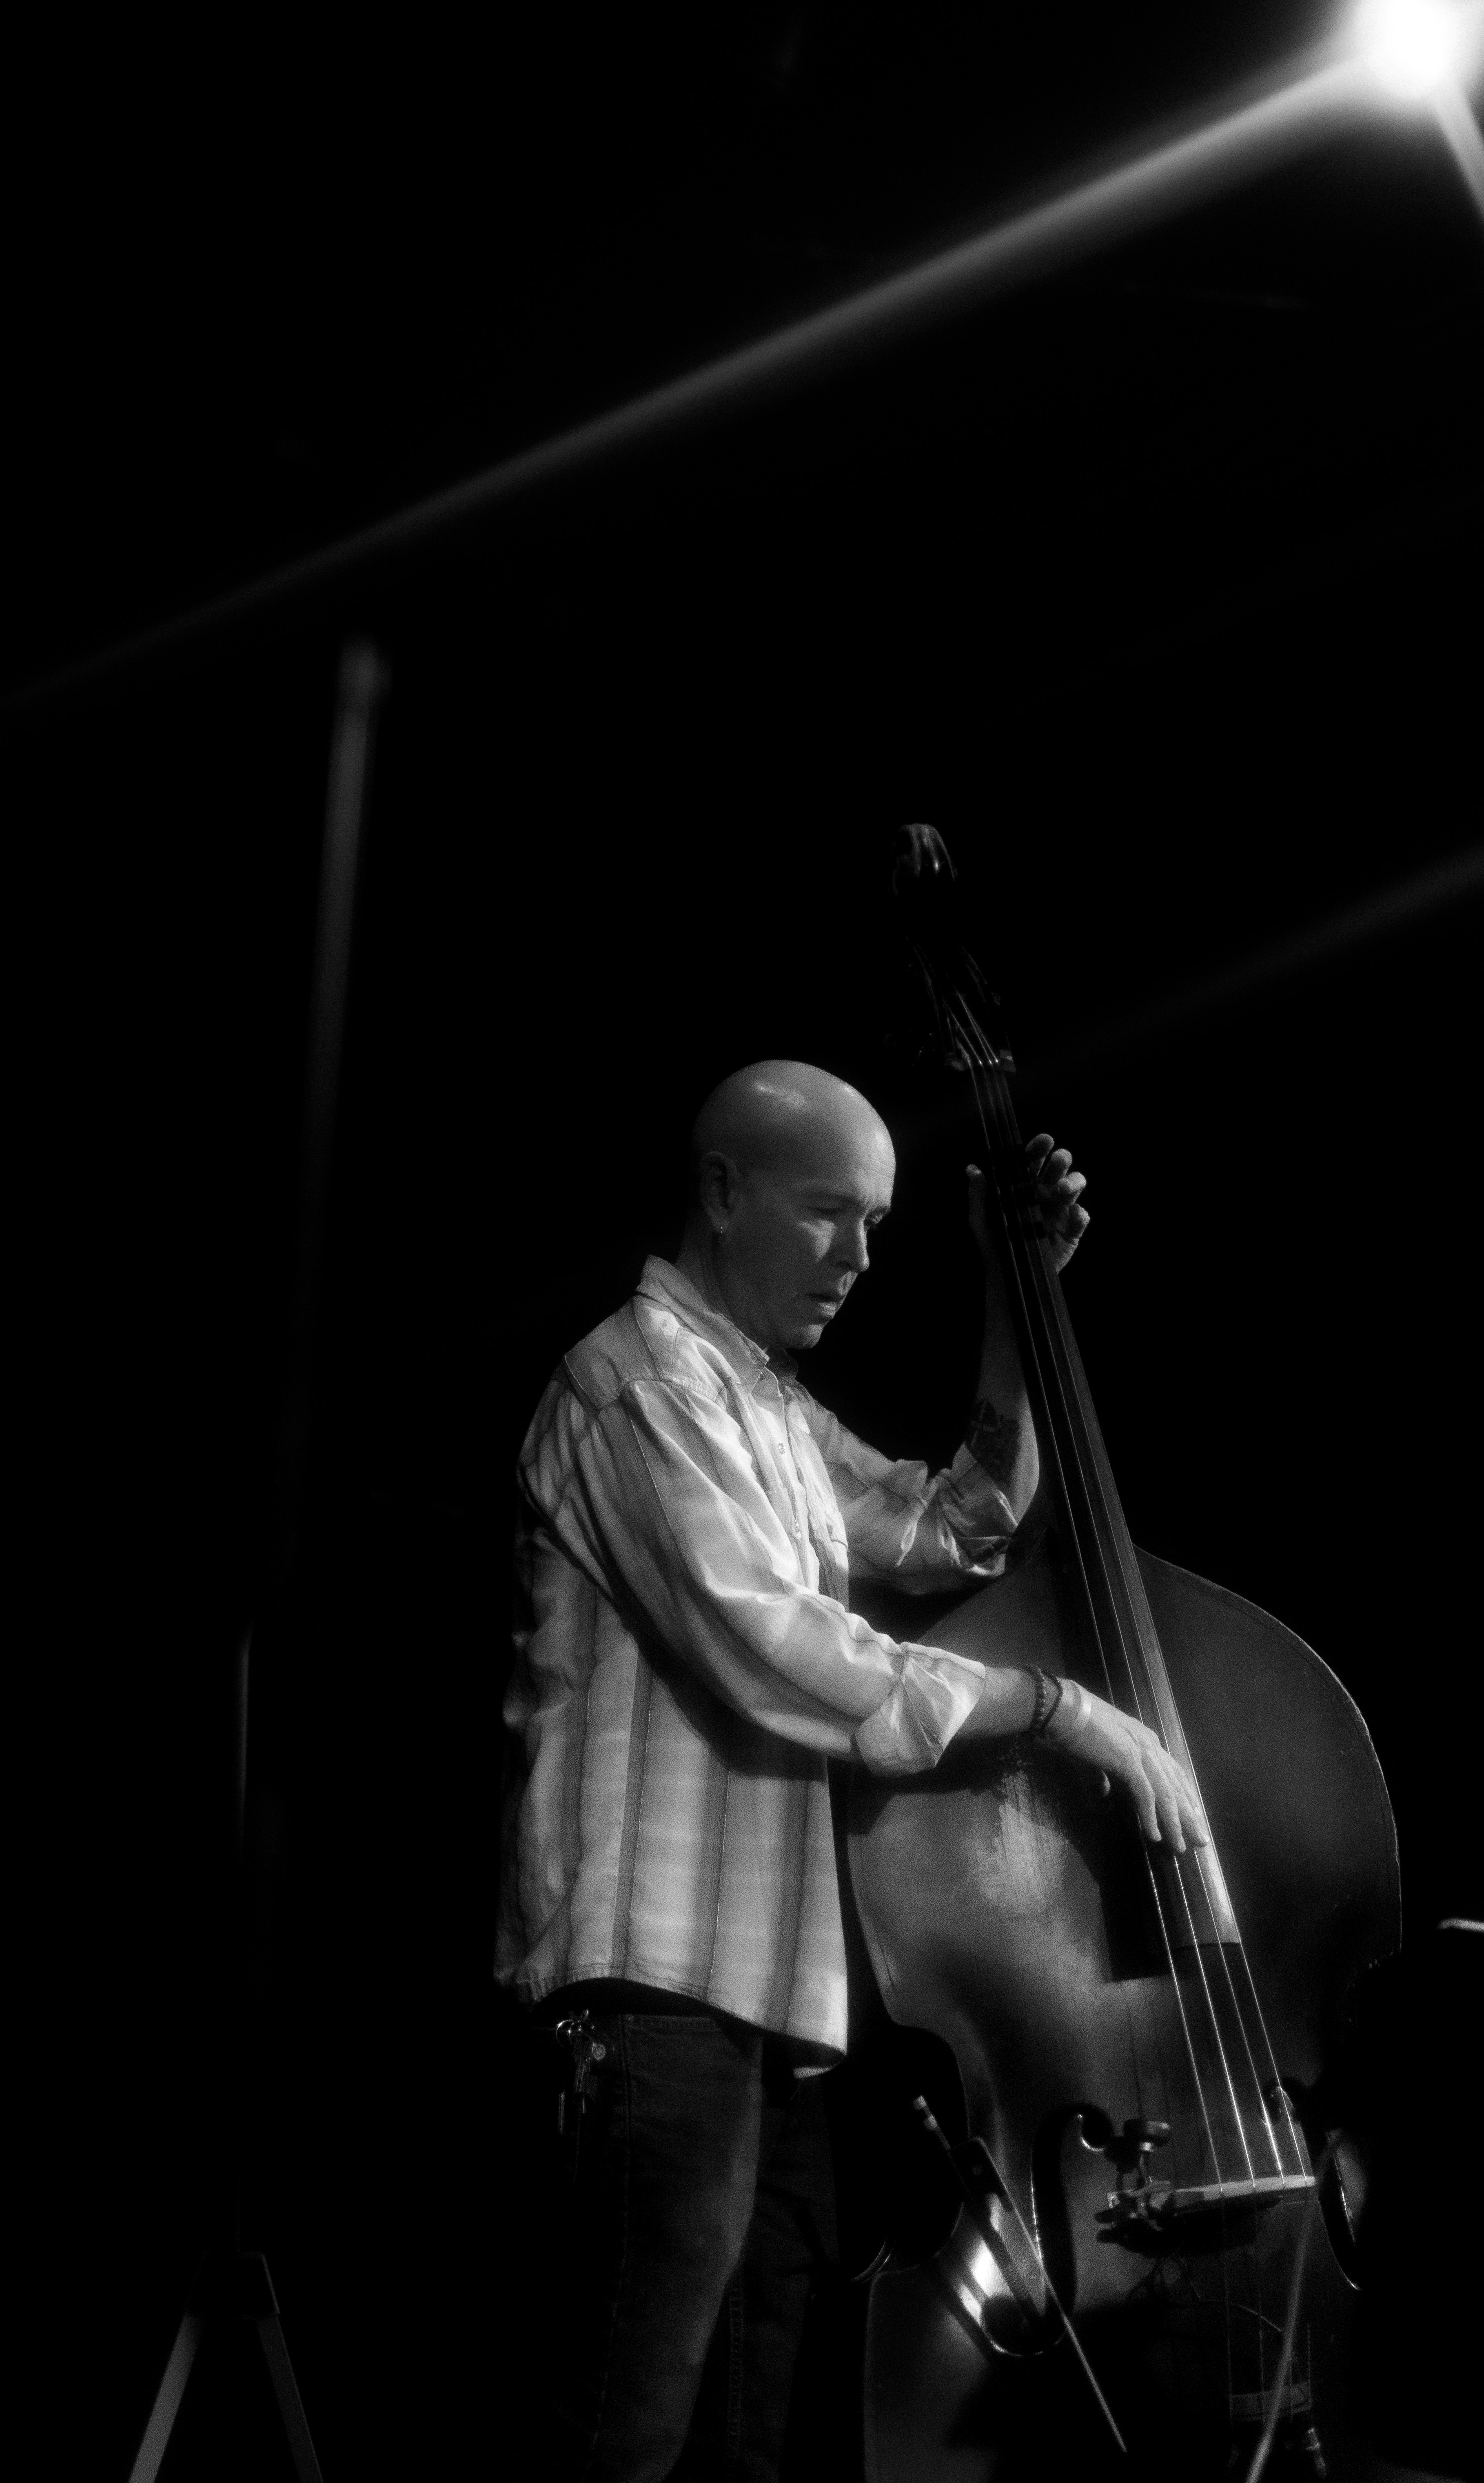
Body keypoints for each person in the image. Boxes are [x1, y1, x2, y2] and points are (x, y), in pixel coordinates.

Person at [497, 1057, 1202, 2481]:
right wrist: (1060, 1709)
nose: (860, 1257)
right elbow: (781, 1650)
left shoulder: (769, 1409)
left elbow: (961, 1526)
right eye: (828, 1214)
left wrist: (1020, 1293)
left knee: (746, 2449)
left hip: (768, 2015)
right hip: (651, 2002)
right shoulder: (635, 1381)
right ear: (721, 1191)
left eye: (878, 1225)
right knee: (618, 2448)